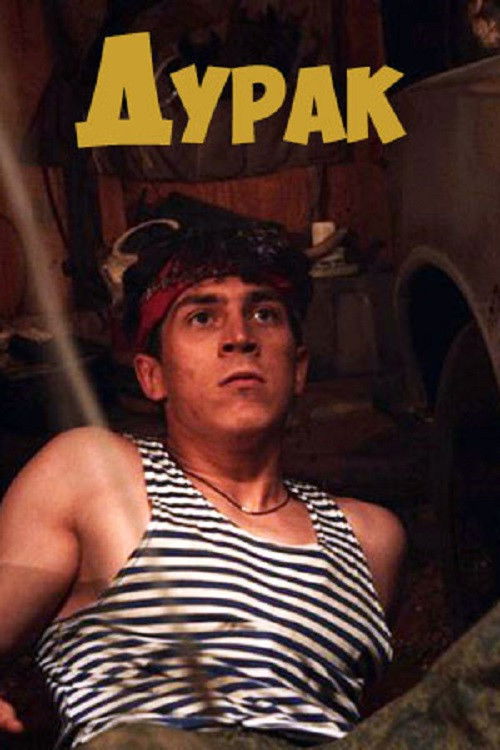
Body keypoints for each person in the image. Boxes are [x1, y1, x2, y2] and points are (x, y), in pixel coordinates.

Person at [0, 226, 406, 748]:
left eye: (264, 314)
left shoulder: (370, 537)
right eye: (202, 317)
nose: (240, 337)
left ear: (299, 369)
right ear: (153, 376)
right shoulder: (96, 475)